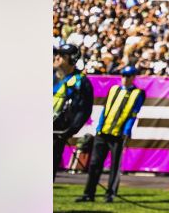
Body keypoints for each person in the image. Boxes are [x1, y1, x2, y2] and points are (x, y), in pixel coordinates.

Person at [77, 65, 144, 202]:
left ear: (133, 77)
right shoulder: (114, 89)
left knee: (114, 166)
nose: (124, 79)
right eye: (123, 75)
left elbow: (133, 114)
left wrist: (126, 131)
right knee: (95, 163)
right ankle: (89, 193)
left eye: (128, 76)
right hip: (103, 132)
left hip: (118, 135)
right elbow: (105, 109)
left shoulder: (138, 93)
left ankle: (110, 194)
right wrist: (99, 127)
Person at [53, 43, 93, 179]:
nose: (57, 58)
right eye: (57, 54)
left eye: (62, 56)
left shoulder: (80, 81)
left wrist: (68, 131)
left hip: (56, 133)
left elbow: (84, 110)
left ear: (72, 59)